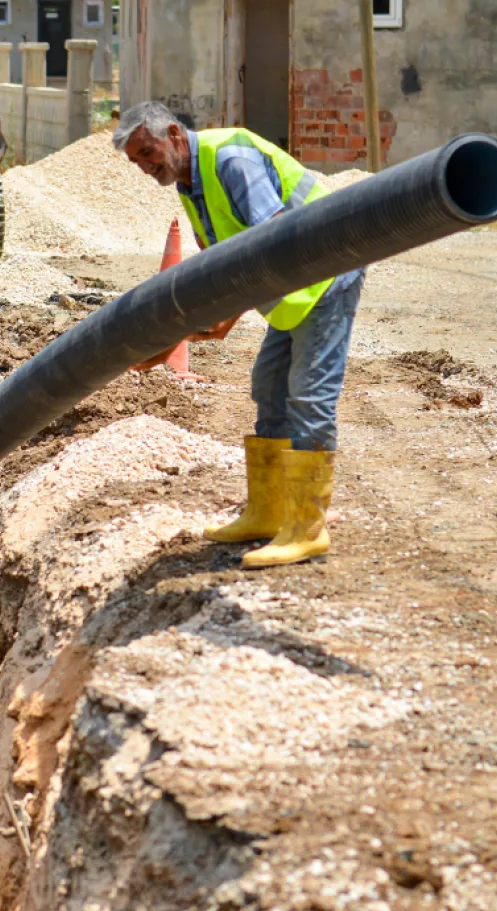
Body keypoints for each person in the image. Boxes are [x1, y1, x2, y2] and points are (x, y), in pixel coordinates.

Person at [113, 100, 365, 569]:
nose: (146, 167)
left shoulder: (230, 160)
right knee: (269, 388)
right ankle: (267, 514)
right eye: (137, 162)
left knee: (309, 397)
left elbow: (269, 245)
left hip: (326, 272)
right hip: (294, 286)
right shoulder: (190, 182)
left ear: (171, 133)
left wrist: (202, 324)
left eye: (147, 153)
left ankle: (306, 528)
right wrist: (193, 331)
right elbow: (222, 264)